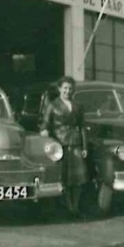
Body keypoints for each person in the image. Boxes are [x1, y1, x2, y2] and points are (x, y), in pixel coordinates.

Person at [40, 76, 88, 216]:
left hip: (76, 144)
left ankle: (76, 207)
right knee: (65, 178)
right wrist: (46, 136)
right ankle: (68, 207)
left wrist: (84, 147)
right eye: (65, 88)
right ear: (60, 89)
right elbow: (45, 124)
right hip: (60, 146)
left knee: (78, 179)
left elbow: (82, 127)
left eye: (70, 88)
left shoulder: (78, 106)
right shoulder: (53, 105)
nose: (67, 91)